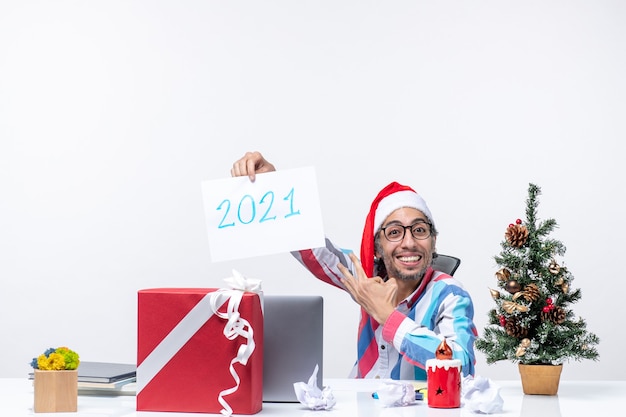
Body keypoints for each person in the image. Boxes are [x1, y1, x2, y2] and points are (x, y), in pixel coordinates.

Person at [231, 151, 477, 380]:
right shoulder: (367, 278)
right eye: (394, 232)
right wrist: (274, 186)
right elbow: (319, 253)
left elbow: (461, 363)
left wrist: (389, 317)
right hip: (359, 402)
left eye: (420, 230)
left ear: (433, 241)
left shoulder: (450, 294)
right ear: (378, 248)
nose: (409, 242)